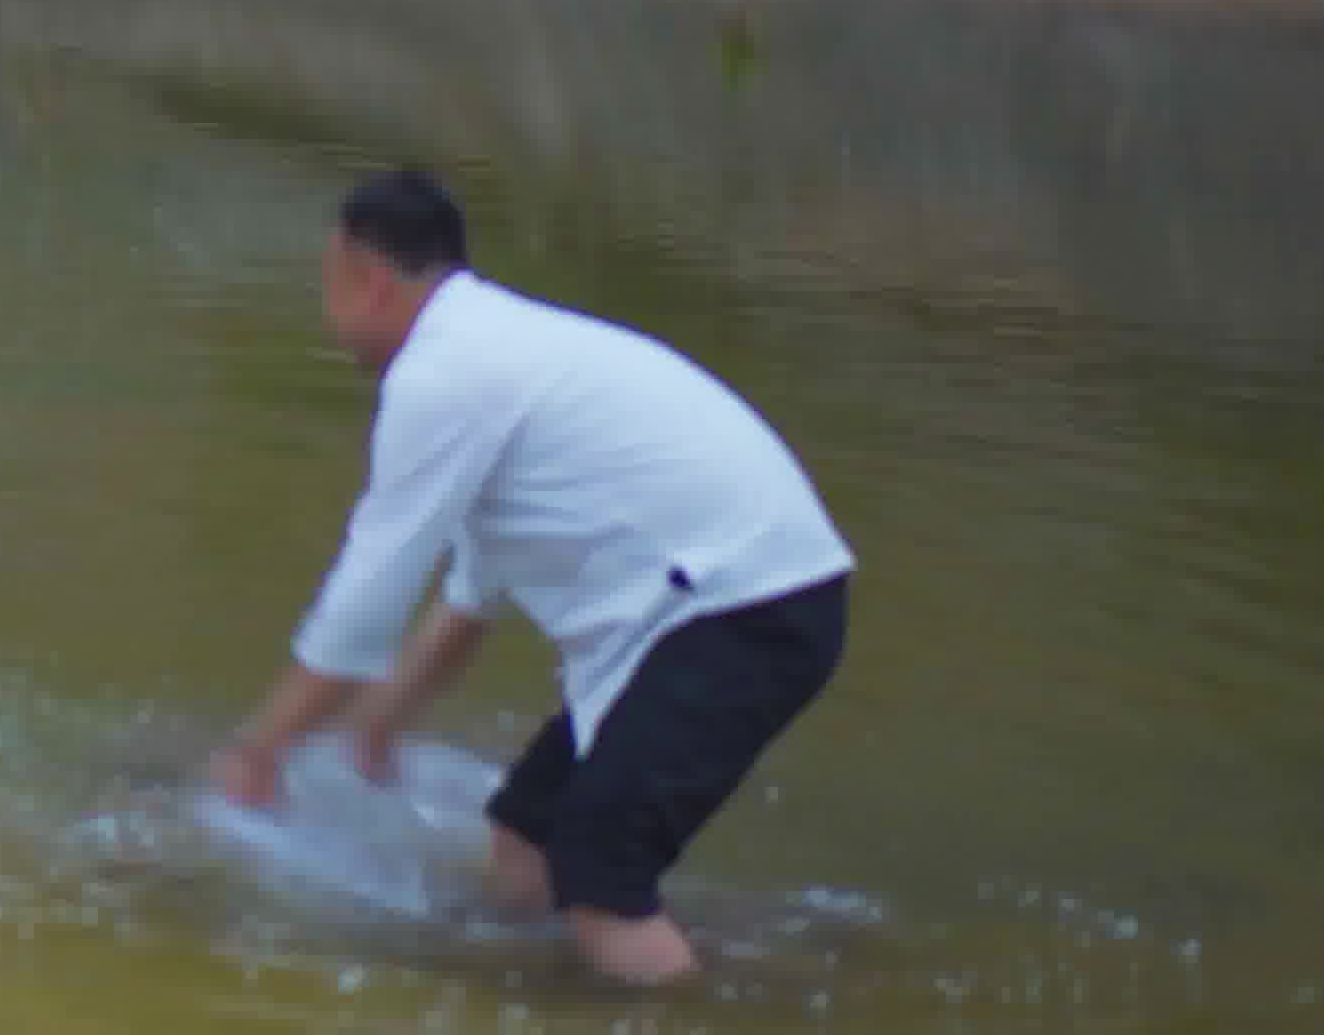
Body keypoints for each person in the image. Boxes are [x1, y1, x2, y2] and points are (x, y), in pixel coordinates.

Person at [209, 168, 854, 985]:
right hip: (732, 603)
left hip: (744, 610)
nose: (328, 318)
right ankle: (582, 984)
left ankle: (690, 1002)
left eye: (327, 286)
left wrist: (258, 749)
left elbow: (364, 599)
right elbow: (470, 600)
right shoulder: (497, 351)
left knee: (601, 877)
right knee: (527, 834)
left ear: (368, 281)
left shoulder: (444, 374)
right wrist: (378, 727)